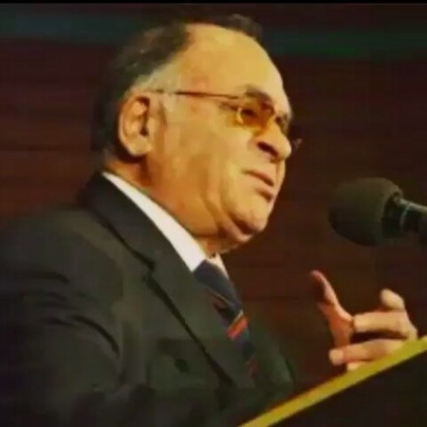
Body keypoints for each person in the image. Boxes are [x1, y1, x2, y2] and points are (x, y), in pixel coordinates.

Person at [0, 13, 418, 427]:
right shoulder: (51, 253)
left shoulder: (262, 346)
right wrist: (318, 408)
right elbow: (64, 415)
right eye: (249, 111)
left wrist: (360, 394)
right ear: (141, 124)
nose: (281, 147)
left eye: (284, 127)